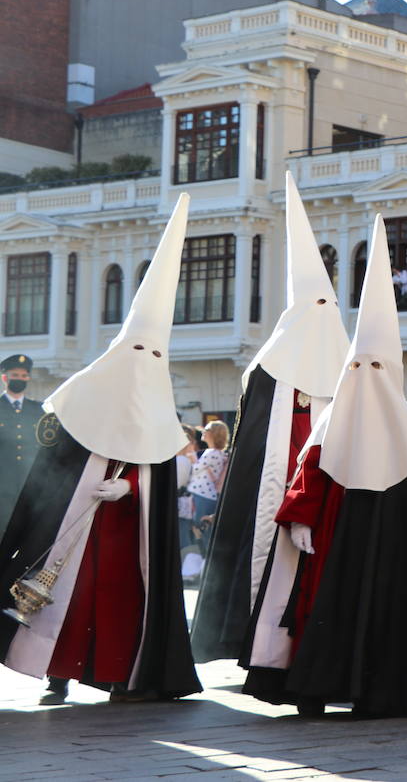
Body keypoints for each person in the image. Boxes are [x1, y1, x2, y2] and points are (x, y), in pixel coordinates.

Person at [241, 216, 407, 718]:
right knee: (321, 613)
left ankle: (378, 690)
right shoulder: (332, 420)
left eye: (375, 368)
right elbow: (308, 471)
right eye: (356, 367)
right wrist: (300, 519)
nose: (364, 378)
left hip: (387, 557)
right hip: (331, 546)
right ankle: (311, 687)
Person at [0, 195, 200, 705]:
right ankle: (56, 670)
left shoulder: (159, 402)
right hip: (71, 521)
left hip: (126, 528)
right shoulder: (78, 396)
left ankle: (116, 672)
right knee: (63, 593)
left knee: (117, 599)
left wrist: (130, 486)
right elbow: (52, 459)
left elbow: (171, 462)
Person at [192, 173, 351, 663]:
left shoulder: (348, 363)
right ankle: (255, 646)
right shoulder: (268, 371)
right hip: (274, 487)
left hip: (327, 489)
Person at [0, 353, 44, 531]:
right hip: (3, 485)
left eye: (24, 376)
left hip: (31, 483)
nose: (20, 379)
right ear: (5, 378)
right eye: (15, 376)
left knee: (28, 532)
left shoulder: (39, 410)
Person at [182, 421, 229, 572]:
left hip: (202, 494)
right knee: (204, 529)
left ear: (213, 434)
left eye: (207, 429)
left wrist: (191, 459)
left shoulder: (211, 453)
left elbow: (195, 469)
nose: (203, 431)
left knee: (201, 529)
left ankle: (206, 565)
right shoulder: (219, 454)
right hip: (208, 495)